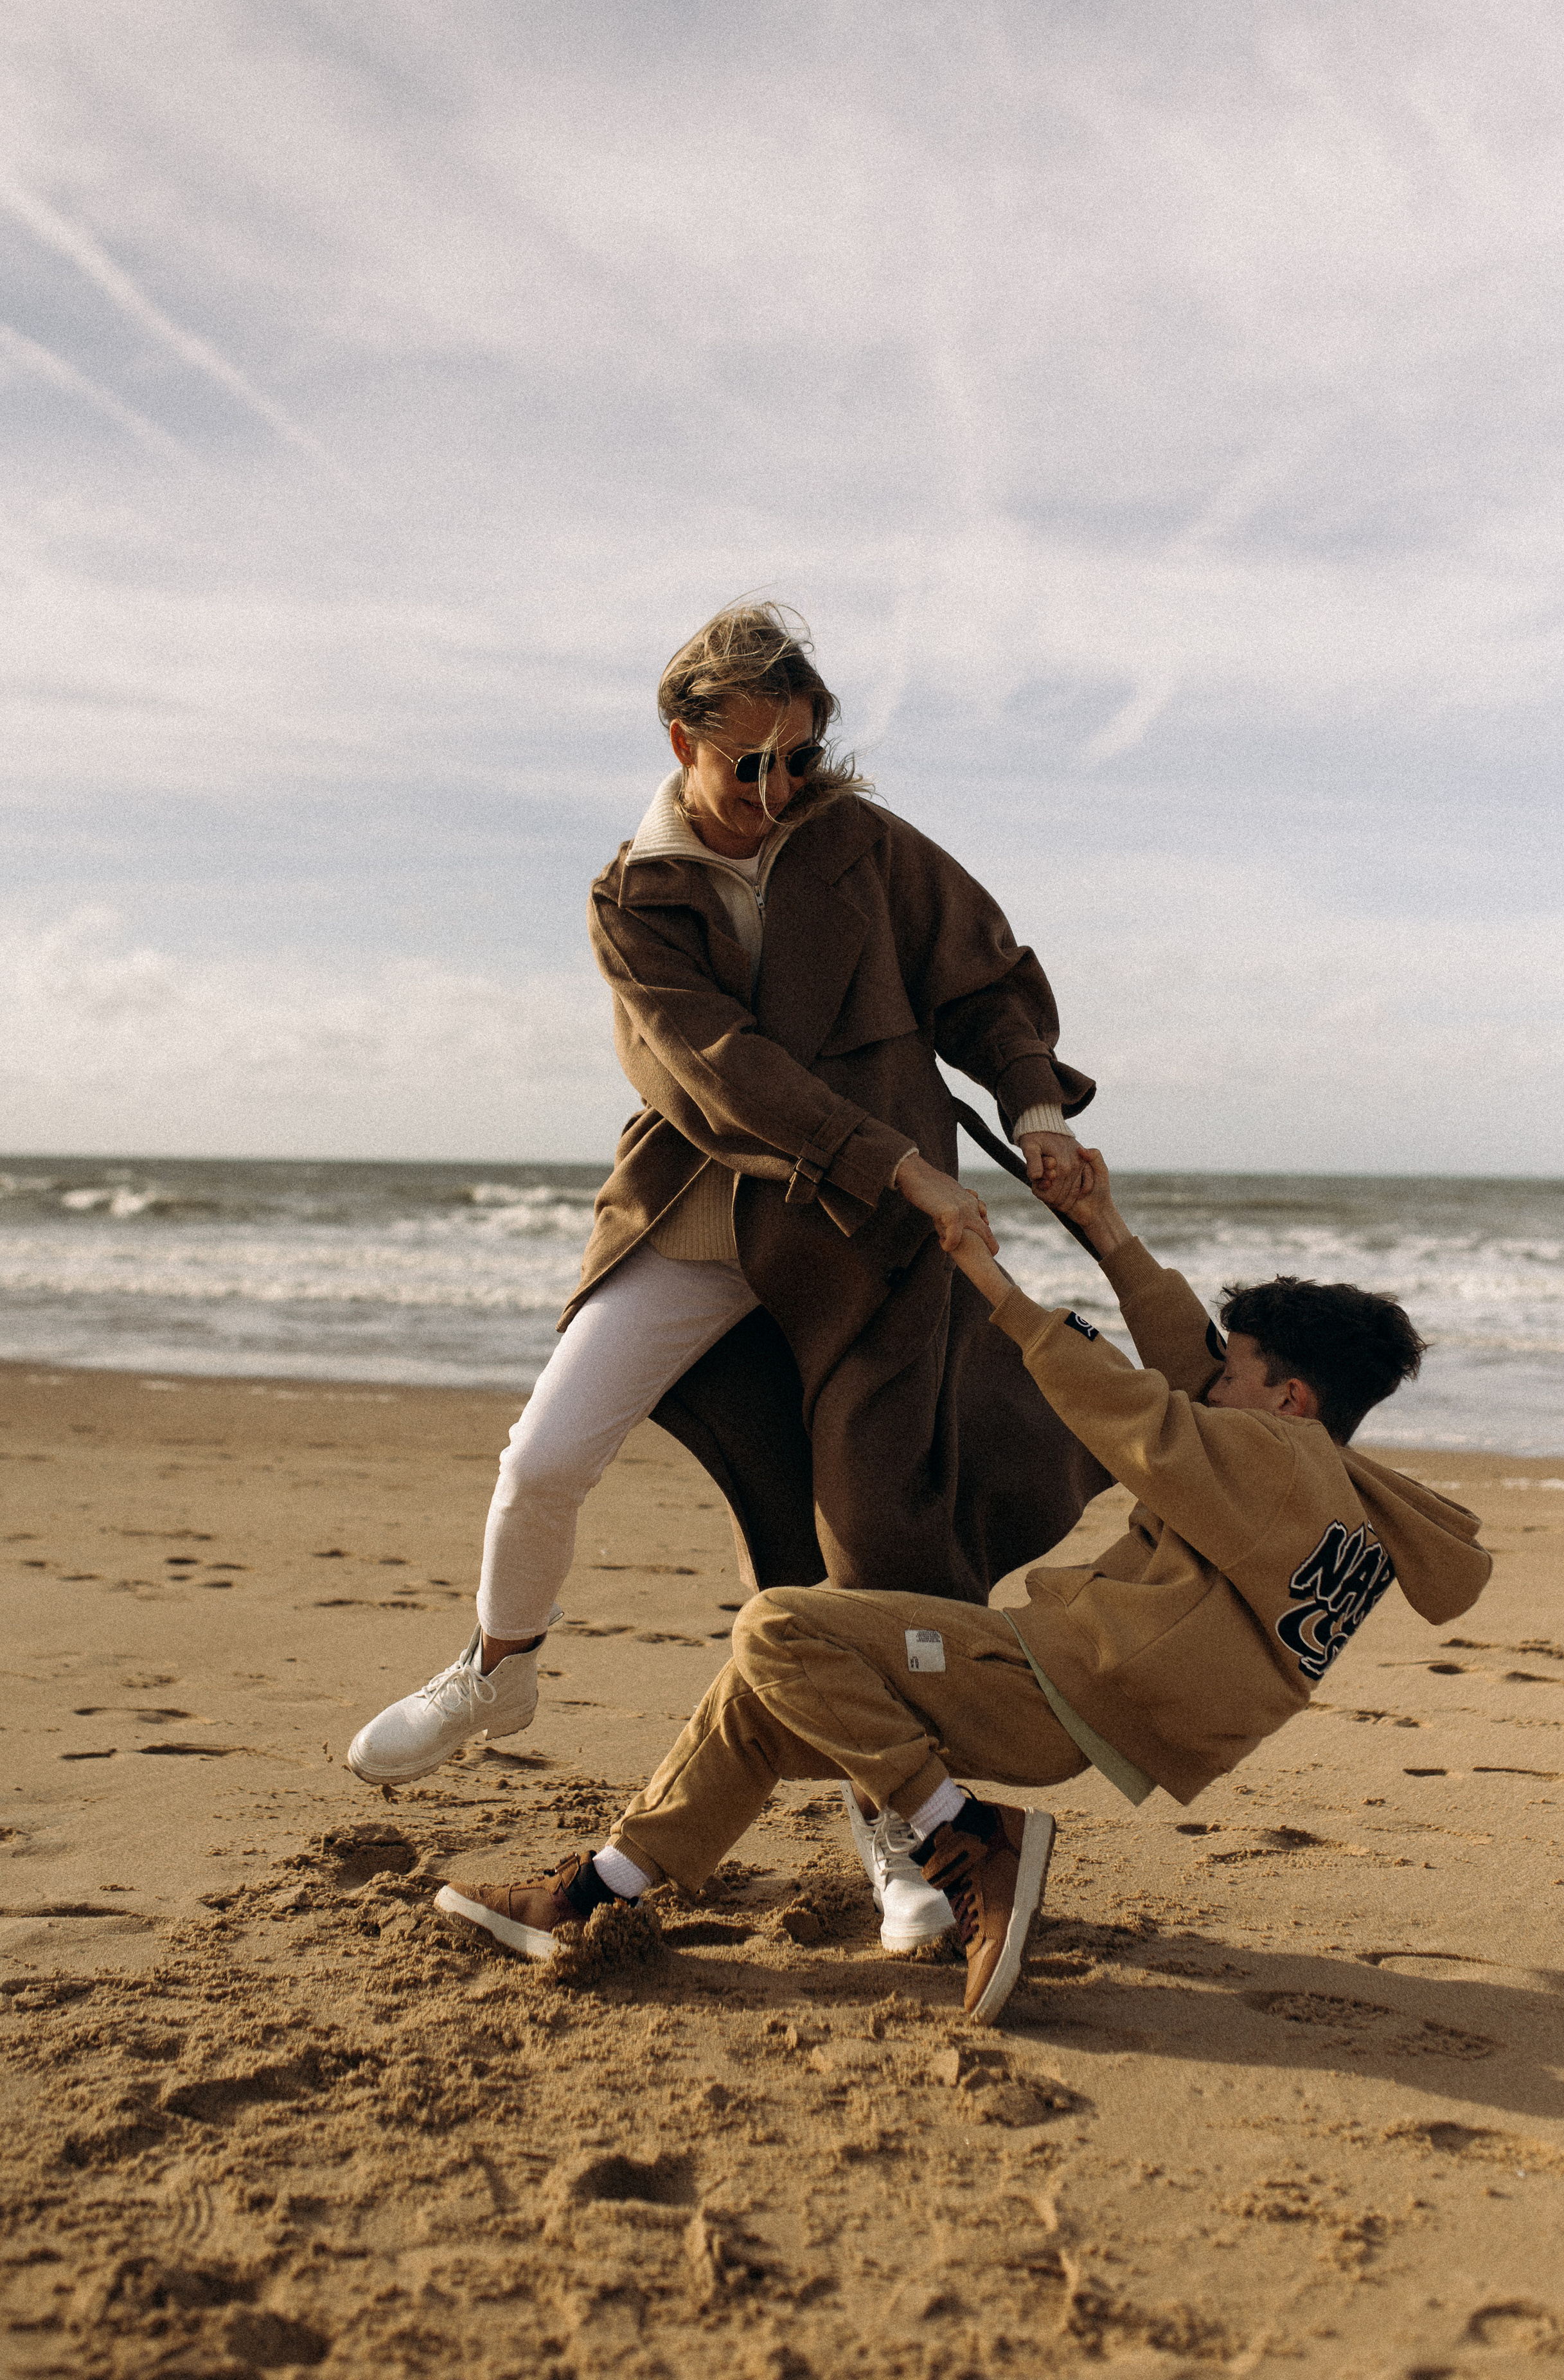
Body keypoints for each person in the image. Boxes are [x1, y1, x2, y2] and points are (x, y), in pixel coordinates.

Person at [348, 601, 1110, 1955]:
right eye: (745, 762)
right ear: (680, 736)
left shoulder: (864, 849)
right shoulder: (629, 892)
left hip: (863, 1255)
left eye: (797, 759)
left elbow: (986, 981)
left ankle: (902, 1837)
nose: (772, 790)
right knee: (542, 1460)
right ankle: (495, 1673)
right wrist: (898, 1162)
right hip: (702, 1214)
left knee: (874, 1555)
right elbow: (719, 1069)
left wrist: (1034, 1113)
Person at [432, 1149, 1493, 2025]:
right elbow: (1184, 1365)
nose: (1213, 1377)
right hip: (1101, 1713)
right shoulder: (1326, 1491)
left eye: (1238, 1371)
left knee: (779, 1629)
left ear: (1291, 1399)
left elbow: (1136, 1408)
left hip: (1056, 1683)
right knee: (757, 1709)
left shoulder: (1264, 1463)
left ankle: (969, 1842)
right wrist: (1105, 1226)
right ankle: (591, 1895)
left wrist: (990, 1277)